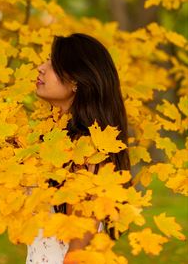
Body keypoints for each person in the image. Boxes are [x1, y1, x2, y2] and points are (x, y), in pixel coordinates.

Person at [26, 33, 131, 264]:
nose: (40, 68)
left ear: (76, 81)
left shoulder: (86, 149)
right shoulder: (56, 140)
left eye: (53, 64)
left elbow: (80, 242)